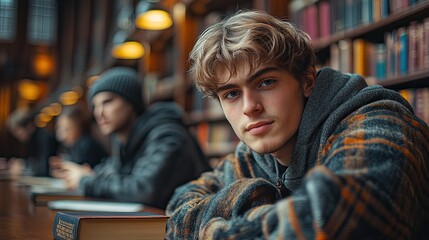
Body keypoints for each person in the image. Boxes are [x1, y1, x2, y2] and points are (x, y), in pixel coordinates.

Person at [166, 10, 429, 239]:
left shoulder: (380, 124)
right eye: (231, 94)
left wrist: (212, 229)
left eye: (266, 82)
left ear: (307, 82)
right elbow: (179, 208)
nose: (249, 107)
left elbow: (325, 225)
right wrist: (246, 194)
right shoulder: (250, 158)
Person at [51, 66, 211, 209]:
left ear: (131, 102)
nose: (99, 113)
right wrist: (87, 175)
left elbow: (144, 190)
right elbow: (111, 173)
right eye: (95, 106)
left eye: (107, 102)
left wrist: (85, 181)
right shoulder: (123, 141)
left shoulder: (167, 134)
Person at [50, 106, 108, 178]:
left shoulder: (87, 145)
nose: (61, 135)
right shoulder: (70, 146)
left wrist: (64, 168)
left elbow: (84, 174)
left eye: (67, 129)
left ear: (78, 127)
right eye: (59, 128)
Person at [6, 108, 59, 177]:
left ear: (29, 126)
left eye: (18, 132)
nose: (18, 137)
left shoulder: (45, 138)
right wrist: (22, 163)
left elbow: (44, 169)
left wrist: (23, 166)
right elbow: (33, 162)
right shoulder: (31, 140)